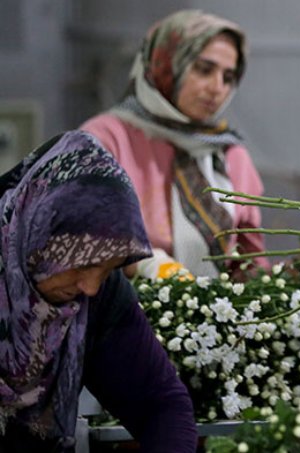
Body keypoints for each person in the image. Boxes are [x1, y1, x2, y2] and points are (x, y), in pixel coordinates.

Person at [0, 131, 197, 452]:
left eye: (107, 269)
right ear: (40, 234)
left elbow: (159, 405)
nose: (90, 287)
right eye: (82, 265)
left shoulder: (100, 296)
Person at [81, 9, 268, 279]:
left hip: (215, 316)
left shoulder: (230, 156)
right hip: (121, 313)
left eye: (228, 78)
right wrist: (147, 265)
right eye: (204, 70)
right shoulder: (104, 140)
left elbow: (248, 268)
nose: (218, 88)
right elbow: (78, 242)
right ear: (166, 64)